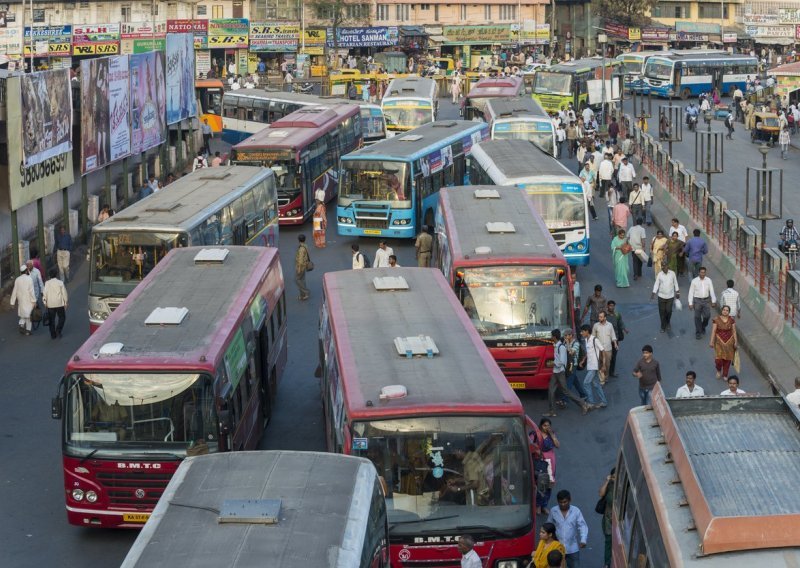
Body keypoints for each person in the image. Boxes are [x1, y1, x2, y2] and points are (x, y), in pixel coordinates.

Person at [547, 329, 591, 416]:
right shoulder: (559, 345)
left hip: (571, 367)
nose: (565, 337)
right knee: (573, 383)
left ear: (571, 335)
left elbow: (568, 355)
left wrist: (553, 363)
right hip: (561, 369)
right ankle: (582, 397)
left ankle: (578, 402)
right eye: (565, 336)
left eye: (567, 335)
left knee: (568, 387)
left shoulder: (572, 344)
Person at [546, 490, 588, 568]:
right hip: (557, 548)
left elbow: (582, 526)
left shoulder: (576, 511)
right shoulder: (553, 511)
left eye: (565, 502)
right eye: (560, 502)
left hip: (572, 549)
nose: (563, 504)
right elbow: (549, 526)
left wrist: (583, 539)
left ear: (570, 500)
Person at [709, 305, 737, 380]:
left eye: (727, 310)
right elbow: (714, 331)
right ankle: (718, 370)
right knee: (718, 359)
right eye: (724, 310)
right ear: (722, 310)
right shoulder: (716, 319)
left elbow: (734, 331)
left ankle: (725, 374)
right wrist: (711, 341)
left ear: (729, 312)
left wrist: (736, 342)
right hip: (719, 342)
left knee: (727, 359)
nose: (725, 311)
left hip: (729, 342)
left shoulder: (731, 320)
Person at [688, 266, 717, 339]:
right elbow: (691, 292)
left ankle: (702, 326)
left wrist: (713, 301)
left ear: (705, 273)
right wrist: (690, 303)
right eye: (701, 272)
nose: (703, 274)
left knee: (707, 316)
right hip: (697, 300)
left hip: (706, 300)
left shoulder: (709, 280)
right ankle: (698, 332)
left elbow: (712, 291)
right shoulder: (694, 281)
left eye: (704, 272)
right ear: (699, 273)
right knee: (697, 317)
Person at [652, 261, 680, 333]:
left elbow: (675, 283)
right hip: (661, 296)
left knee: (668, 311)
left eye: (665, 266)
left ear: (668, 266)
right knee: (662, 312)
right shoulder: (659, 275)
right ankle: (663, 326)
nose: (664, 268)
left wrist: (677, 291)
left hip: (670, 296)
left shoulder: (672, 274)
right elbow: (656, 284)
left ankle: (668, 322)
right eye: (663, 266)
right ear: (661, 267)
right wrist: (653, 292)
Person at [11, 265, 37, 335]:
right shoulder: (29, 279)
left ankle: (21, 324)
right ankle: (28, 331)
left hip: (21, 300)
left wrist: (12, 302)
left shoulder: (17, 279)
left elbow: (14, 291)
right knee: (29, 316)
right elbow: (31, 291)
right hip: (28, 300)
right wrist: (34, 301)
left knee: (23, 314)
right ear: (26, 271)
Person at [43, 267, 68, 339]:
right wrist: (66, 302)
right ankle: (58, 330)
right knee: (62, 317)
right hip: (59, 303)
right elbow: (64, 293)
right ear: (56, 275)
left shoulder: (47, 283)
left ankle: (53, 335)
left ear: (50, 275)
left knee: (51, 320)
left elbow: (45, 294)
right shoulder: (60, 283)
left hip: (50, 304)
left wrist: (45, 302)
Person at [606, 301, 628, 378]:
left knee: (613, 356)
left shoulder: (617, 315)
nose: (611, 307)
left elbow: (620, 323)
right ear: (607, 306)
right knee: (606, 356)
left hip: (615, 339)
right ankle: (604, 373)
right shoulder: (604, 315)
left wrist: (625, 329)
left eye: (613, 306)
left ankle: (611, 372)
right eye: (610, 306)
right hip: (606, 340)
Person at [598, 468, 615, 568]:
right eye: (613, 477)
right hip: (608, 520)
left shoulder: (624, 486)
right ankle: (607, 564)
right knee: (608, 541)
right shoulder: (610, 485)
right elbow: (601, 494)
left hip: (620, 518)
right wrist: (607, 481)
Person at [294, 235, 311, 301]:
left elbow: (300, 261)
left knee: (297, 280)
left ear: (298, 240)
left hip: (301, 267)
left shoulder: (301, 249)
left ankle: (306, 292)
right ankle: (302, 295)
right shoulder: (305, 245)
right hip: (304, 266)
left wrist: (298, 269)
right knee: (302, 280)